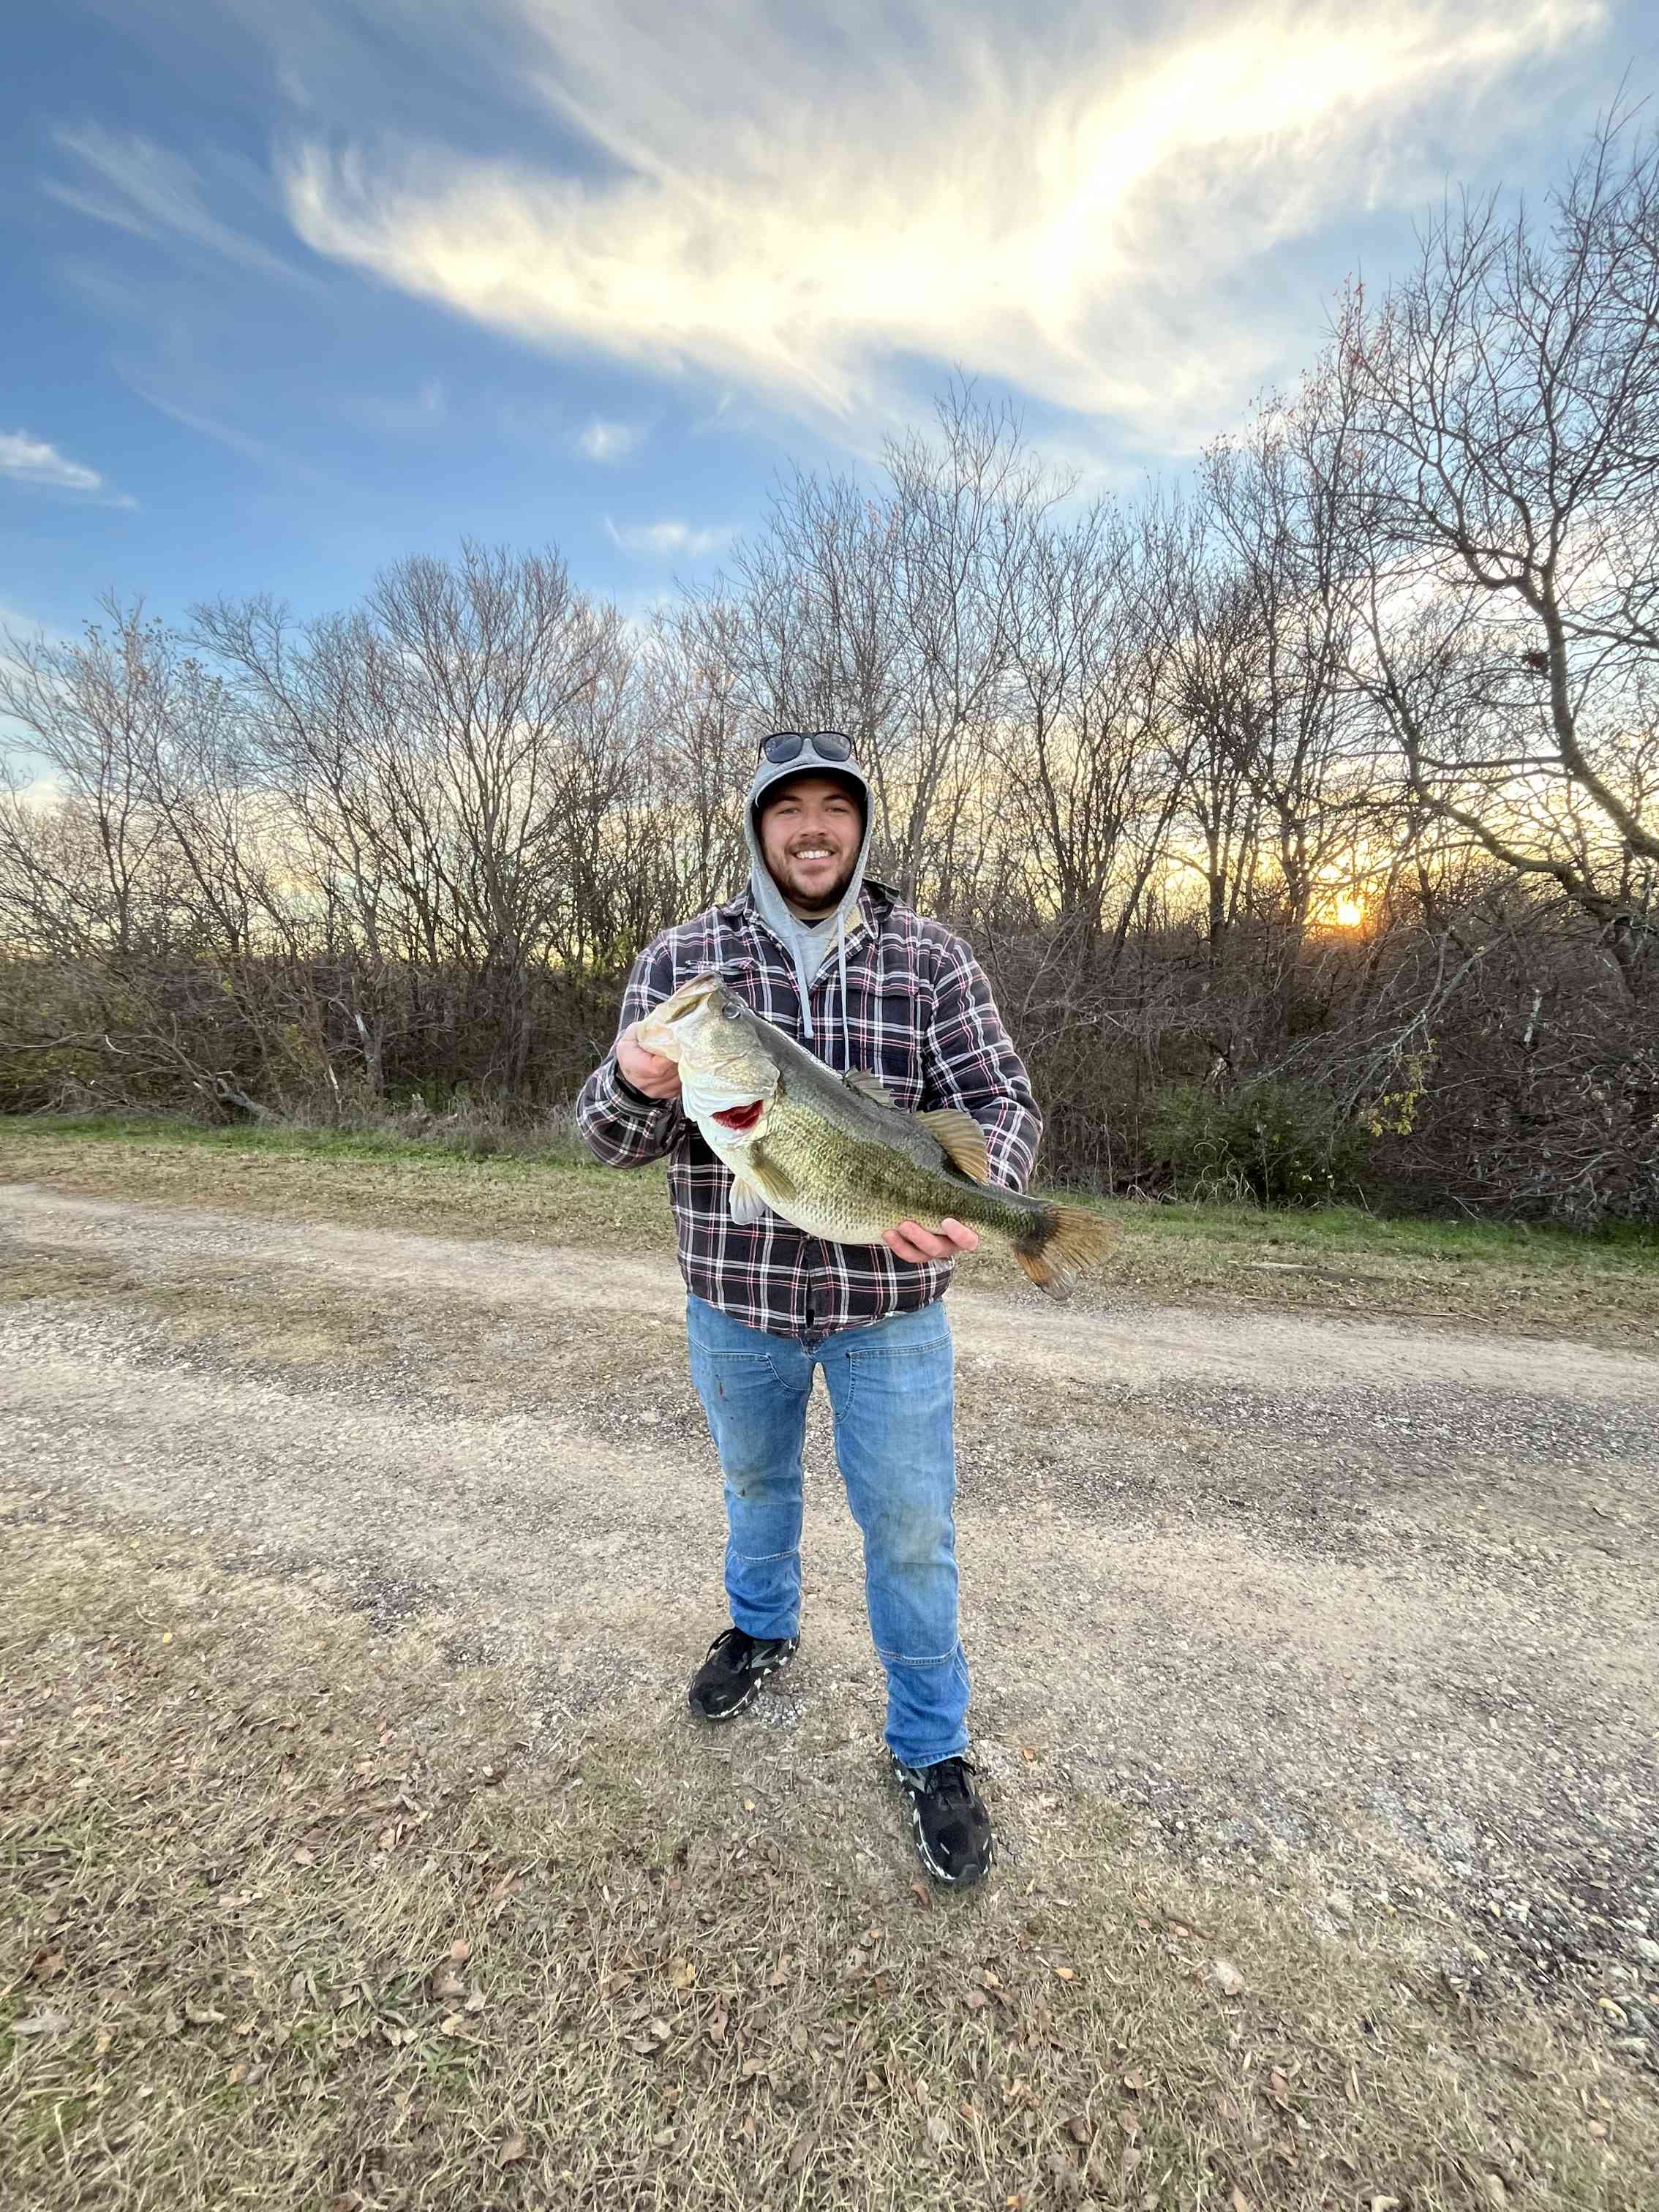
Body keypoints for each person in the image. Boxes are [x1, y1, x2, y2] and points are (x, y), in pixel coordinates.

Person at [575, 731, 1042, 1886]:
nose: (814, 828)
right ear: (758, 826)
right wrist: (634, 1081)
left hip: (892, 1308)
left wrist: (977, 1200)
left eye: (836, 806)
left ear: (862, 826)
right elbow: (605, 1139)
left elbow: (1000, 1101)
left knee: (913, 1533)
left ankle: (931, 1747)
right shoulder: (685, 964)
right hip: (736, 1305)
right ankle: (762, 1629)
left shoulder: (931, 957)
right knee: (756, 1490)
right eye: (790, 809)